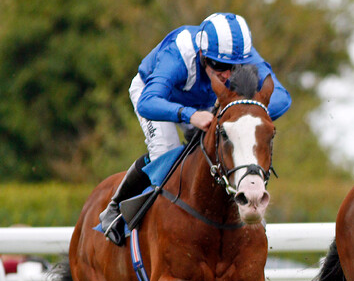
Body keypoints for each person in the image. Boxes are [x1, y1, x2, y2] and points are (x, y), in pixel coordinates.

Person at [99, 12, 292, 246]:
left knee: (221, 151)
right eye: (219, 66)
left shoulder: (243, 52)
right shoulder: (178, 53)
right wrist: (189, 115)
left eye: (235, 67)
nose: (227, 74)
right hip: (160, 98)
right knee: (167, 151)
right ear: (202, 55)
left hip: (209, 100)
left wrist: (243, 119)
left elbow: (282, 97)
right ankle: (115, 208)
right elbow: (148, 102)